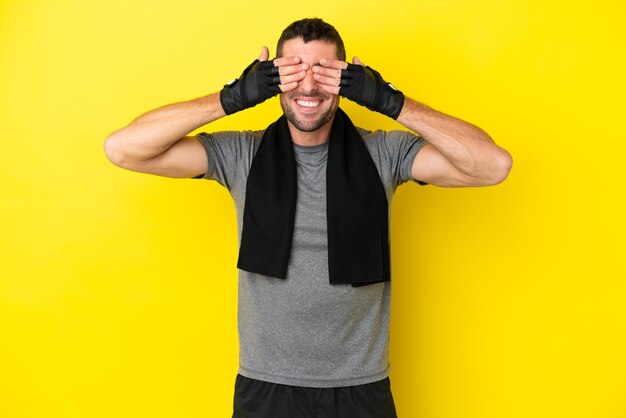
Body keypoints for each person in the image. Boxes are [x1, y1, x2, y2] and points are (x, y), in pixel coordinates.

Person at [104, 17, 512, 418]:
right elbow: (123, 149)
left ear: (346, 80)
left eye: (323, 72)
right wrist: (230, 98)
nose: (310, 86)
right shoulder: (242, 155)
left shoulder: (384, 154)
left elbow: (492, 166)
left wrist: (391, 101)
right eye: (294, 71)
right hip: (266, 387)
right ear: (274, 80)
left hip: (360, 388)